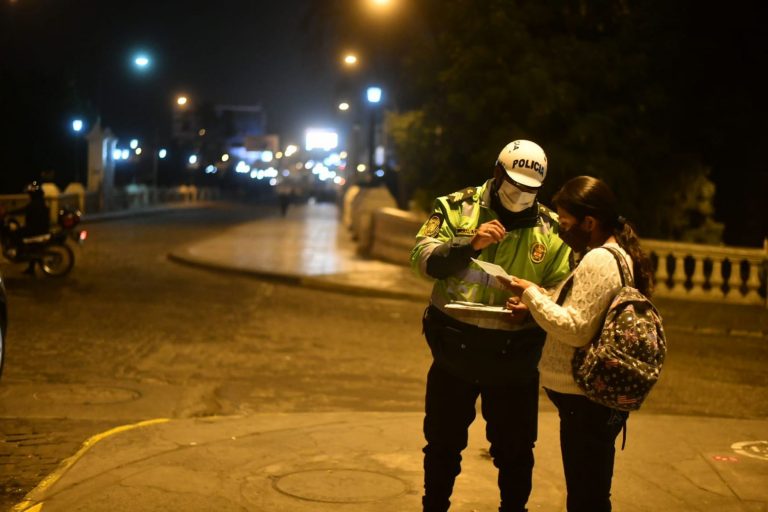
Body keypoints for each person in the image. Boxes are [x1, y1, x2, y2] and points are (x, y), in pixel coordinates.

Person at [410, 139, 571, 512]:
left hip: (514, 359)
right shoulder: (456, 207)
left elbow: (564, 288)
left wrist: (533, 305)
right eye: (515, 183)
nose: (521, 193)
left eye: (531, 189)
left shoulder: (551, 229)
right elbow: (421, 259)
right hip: (454, 351)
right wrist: (469, 245)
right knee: (442, 445)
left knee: (516, 452)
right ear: (497, 172)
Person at [498, 175, 654, 512]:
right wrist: (535, 303)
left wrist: (529, 293)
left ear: (589, 222)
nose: (560, 231)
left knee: (586, 497)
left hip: (586, 402)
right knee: (592, 492)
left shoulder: (599, 259)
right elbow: (583, 308)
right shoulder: (617, 254)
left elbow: (576, 328)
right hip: (593, 401)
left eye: (566, 224)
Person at [7, 182, 50, 274]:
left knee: (16, 234)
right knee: (32, 246)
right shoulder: (40, 202)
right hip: (39, 227)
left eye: (30, 194)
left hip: (36, 229)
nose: (29, 195)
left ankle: (19, 253)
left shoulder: (35, 203)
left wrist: (9, 213)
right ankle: (31, 269)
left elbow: (23, 210)